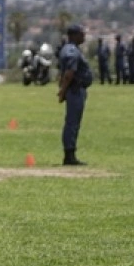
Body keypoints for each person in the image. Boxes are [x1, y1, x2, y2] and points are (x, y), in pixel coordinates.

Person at [56, 24, 93, 166]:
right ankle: (69, 155)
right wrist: (63, 91)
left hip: (74, 90)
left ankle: (70, 153)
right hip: (75, 90)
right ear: (73, 35)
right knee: (72, 123)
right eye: (81, 34)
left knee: (73, 123)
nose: (83, 36)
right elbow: (69, 73)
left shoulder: (69, 49)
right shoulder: (71, 51)